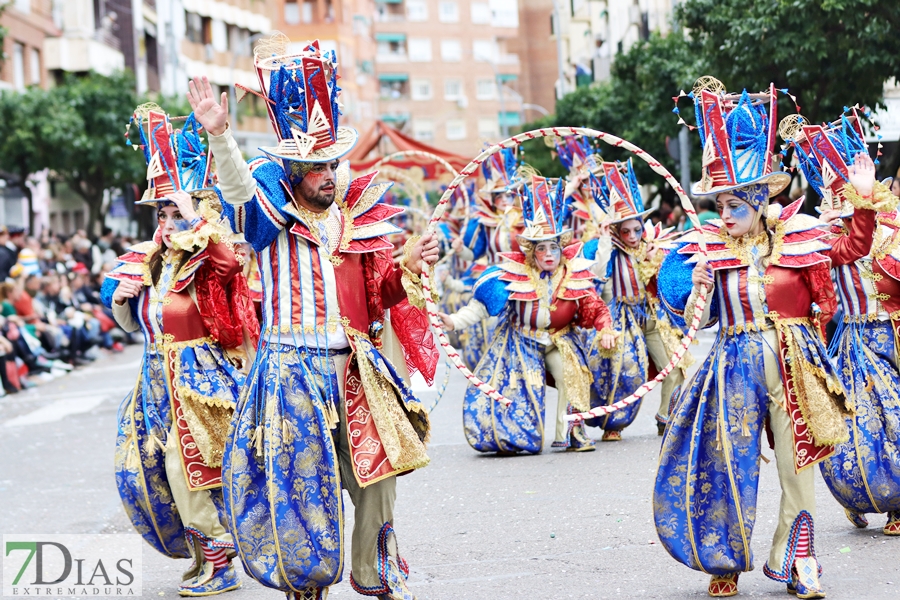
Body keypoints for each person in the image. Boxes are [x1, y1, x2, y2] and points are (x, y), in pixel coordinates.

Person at [188, 35, 440, 600]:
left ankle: (377, 573)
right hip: (289, 368)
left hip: (352, 367)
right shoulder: (268, 221)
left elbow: (378, 294)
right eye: (317, 166)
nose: (330, 173)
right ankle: (306, 582)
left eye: (333, 163)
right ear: (294, 171)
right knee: (302, 487)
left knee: (377, 473)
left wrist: (410, 265)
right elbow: (238, 192)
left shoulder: (352, 224)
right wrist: (220, 135)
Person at [653, 82, 879, 599]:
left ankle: (798, 559)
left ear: (759, 198)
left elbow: (851, 247)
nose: (725, 214)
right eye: (721, 203)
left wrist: (864, 201)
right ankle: (724, 557)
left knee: (798, 463)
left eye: (736, 203)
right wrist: (699, 291)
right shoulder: (704, 248)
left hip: (794, 361)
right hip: (732, 362)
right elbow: (696, 320)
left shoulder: (800, 235)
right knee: (726, 460)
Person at [102, 107, 257, 597]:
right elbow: (143, 328)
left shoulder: (208, 259)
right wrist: (121, 305)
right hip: (153, 383)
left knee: (187, 467)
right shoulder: (148, 262)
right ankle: (205, 559)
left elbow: (230, 262)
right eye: (162, 214)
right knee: (150, 473)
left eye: (175, 213)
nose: (168, 222)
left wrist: (194, 215)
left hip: (198, 381)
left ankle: (223, 560)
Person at [784, 109, 900, 536]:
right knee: (857, 422)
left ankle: (896, 502)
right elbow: (845, 259)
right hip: (851, 341)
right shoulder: (826, 240)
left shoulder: (892, 227)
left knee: (894, 418)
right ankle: (860, 495)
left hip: (892, 335)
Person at [439, 175, 616, 453]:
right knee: (518, 389)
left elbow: (595, 307)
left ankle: (570, 432)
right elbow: (481, 307)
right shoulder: (512, 274)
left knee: (572, 373)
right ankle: (515, 435)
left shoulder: (573, 275)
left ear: (561, 249)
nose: (548, 254)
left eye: (553, 247)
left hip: (560, 339)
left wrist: (605, 328)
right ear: (531, 252)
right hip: (519, 341)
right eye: (541, 248)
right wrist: (452, 321)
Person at [580, 159, 689, 440]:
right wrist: (605, 241)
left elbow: (666, 282)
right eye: (624, 231)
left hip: (651, 315)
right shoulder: (605, 248)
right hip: (620, 318)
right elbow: (595, 274)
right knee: (625, 372)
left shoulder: (652, 246)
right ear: (616, 230)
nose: (631, 236)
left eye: (636, 230)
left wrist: (657, 260)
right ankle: (613, 425)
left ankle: (666, 416)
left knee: (674, 365)